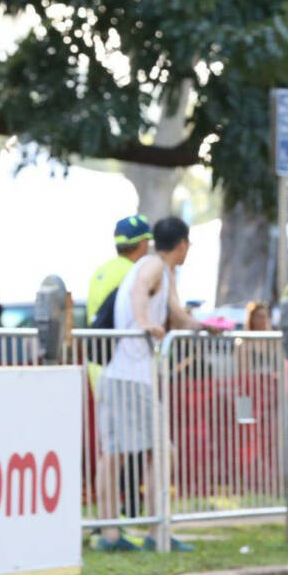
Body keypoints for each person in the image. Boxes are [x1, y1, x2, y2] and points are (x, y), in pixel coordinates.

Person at [95, 216, 211, 552]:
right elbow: (138, 292)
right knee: (156, 452)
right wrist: (144, 321)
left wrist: (202, 327)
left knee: (121, 454)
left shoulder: (164, 272)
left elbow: (176, 314)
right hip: (131, 377)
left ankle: (118, 532)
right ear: (183, 244)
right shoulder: (153, 266)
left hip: (127, 376)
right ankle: (148, 531)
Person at [89, 215, 152, 325]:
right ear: (142, 242)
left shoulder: (102, 269)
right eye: (148, 241)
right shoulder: (136, 272)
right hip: (119, 339)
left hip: (94, 339)